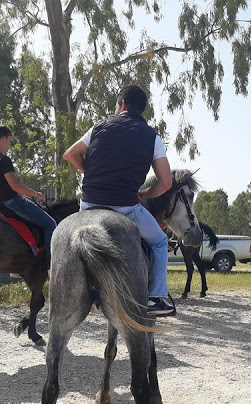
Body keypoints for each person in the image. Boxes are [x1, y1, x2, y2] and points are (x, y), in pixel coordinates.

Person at [63, 85, 174, 316]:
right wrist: (144, 194)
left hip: (88, 205)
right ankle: (158, 298)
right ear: (140, 109)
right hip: (125, 208)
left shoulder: (98, 127)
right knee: (161, 241)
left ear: (122, 104)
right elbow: (165, 183)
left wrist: (89, 173)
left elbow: (70, 155)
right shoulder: (152, 137)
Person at [0, 124, 56, 268]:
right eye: (9, 139)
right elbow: (15, 185)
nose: (9, 143)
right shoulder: (3, 159)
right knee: (50, 224)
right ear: (3, 139)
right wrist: (36, 194)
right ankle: (51, 265)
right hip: (13, 203)